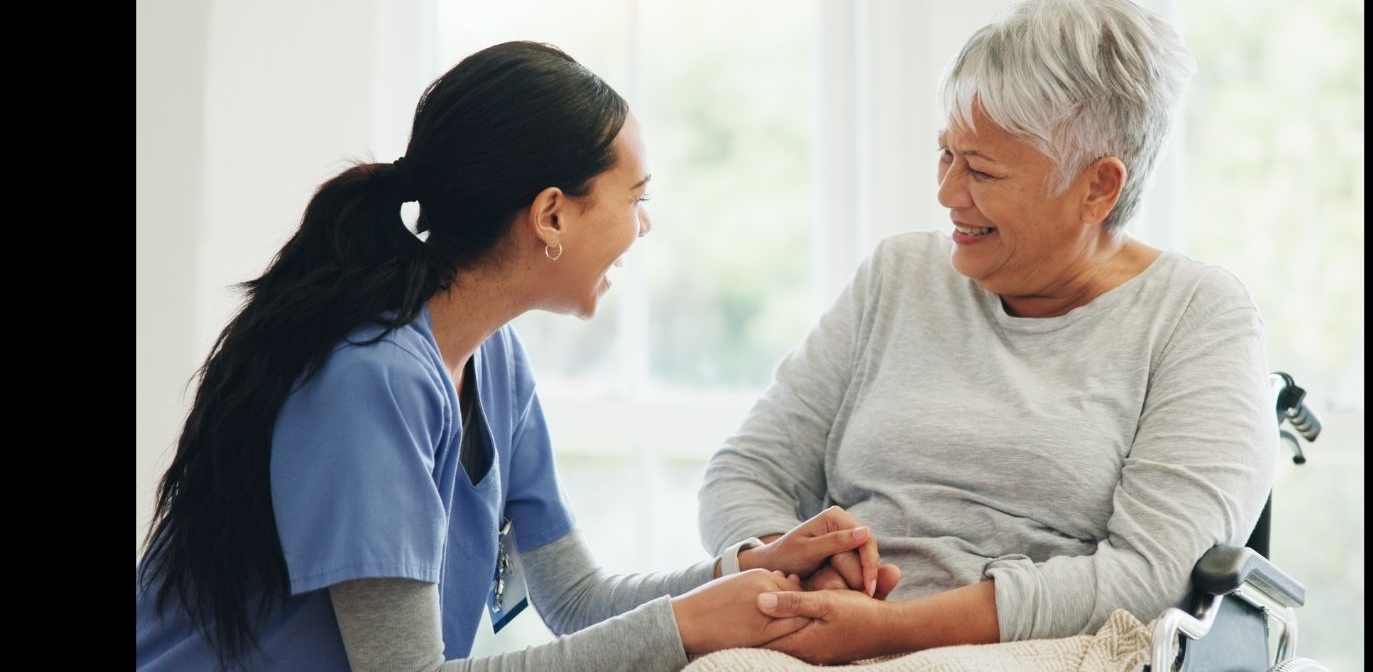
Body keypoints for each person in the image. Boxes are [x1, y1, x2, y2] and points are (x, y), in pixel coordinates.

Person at [136, 40, 889, 672]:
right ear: (552, 214)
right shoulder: (374, 378)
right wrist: (689, 626)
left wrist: (751, 573)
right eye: (634, 197)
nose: (645, 224)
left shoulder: (496, 362)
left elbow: (575, 599)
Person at [698, 0, 1279, 664]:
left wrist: (892, 631)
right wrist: (784, 562)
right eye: (946, 154)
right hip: (835, 625)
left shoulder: (1198, 316)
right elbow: (746, 471)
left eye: (980, 170)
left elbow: (1148, 576)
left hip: (1041, 644)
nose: (947, 193)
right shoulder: (899, 275)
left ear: (1098, 186)